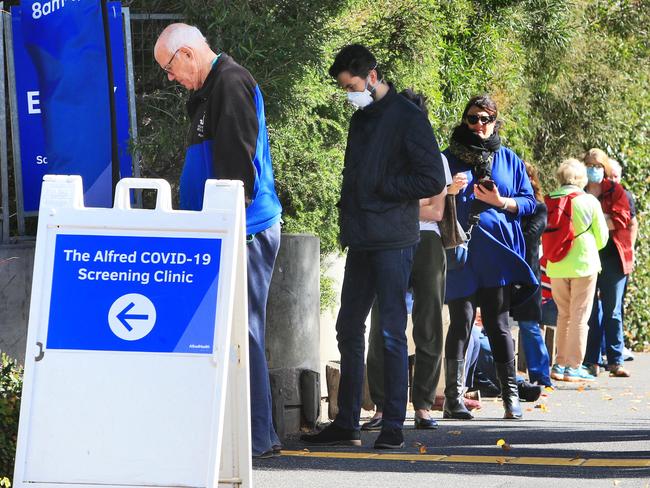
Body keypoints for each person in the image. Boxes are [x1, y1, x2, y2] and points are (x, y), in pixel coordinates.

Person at [301, 45, 446, 449]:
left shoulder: (408, 117)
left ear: (371, 75)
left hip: (394, 239)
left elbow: (432, 178)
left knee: (390, 331)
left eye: (351, 85)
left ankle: (393, 426)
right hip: (362, 237)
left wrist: (385, 190)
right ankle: (347, 423)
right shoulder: (361, 118)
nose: (349, 93)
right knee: (348, 327)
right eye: (345, 88)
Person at [154, 24, 283, 458]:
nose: (171, 78)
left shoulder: (229, 82)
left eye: (169, 68)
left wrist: (224, 229)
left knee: (244, 333)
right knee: (235, 333)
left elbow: (237, 170)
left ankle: (258, 437)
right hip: (228, 229)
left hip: (243, 229)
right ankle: (244, 433)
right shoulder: (211, 89)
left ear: (187, 53)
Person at [443, 94, 537, 421]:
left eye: (485, 119)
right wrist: (450, 191)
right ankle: (453, 398)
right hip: (462, 252)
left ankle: (511, 396)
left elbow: (529, 203)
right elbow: (431, 199)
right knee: (461, 322)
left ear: (495, 122)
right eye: (473, 118)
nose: (479, 125)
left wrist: (501, 202)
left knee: (498, 325)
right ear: (464, 121)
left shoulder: (509, 159)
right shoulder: (448, 158)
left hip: (497, 251)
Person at [363, 90, 451, 432]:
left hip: (426, 240)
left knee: (429, 321)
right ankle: (384, 406)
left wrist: (395, 203)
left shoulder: (435, 159)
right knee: (383, 321)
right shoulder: (378, 155)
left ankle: (424, 405)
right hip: (388, 240)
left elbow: (437, 209)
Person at [545, 158, 608, 382]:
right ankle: (574, 367)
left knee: (564, 315)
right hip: (584, 262)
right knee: (580, 316)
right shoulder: (589, 201)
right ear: (581, 178)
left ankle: (558, 365)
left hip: (557, 263)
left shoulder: (550, 199)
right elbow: (602, 238)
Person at [583, 149, 633, 378]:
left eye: (597, 165)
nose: (593, 169)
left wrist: (593, 222)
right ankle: (590, 361)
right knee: (590, 311)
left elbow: (622, 220)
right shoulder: (580, 191)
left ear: (604, 167)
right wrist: (604, 220)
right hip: (586, 256)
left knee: (612, 311)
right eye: (589, 165)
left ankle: (615, 360)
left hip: (613, 256)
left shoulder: (616, 190)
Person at [510, 163, 553, 387]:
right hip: (502, 273)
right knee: (495, 326)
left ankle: (540, 376)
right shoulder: (503, 206)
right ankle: (503, 377)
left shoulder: (539, 208)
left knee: (529, 325)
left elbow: (530, 237)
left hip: (528, 273)